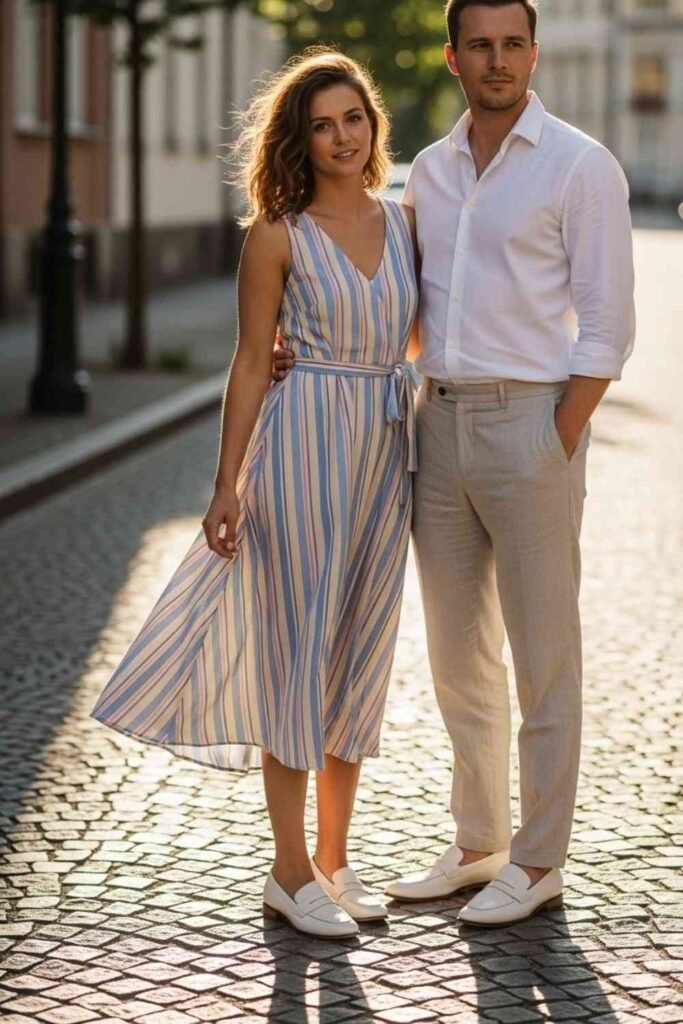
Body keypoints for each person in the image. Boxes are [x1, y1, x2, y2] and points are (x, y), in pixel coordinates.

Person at [276, 0, 636, 926]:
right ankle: (480, 843)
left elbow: (607, 328)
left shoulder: (579, 166)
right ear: (453, 57)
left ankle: (541, 858)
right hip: (433, 425)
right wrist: (297, 346)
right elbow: (403, 301)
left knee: (543, 654)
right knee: (455, 656)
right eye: (479, 44)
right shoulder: (427, 175)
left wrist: (556, 437)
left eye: (512, 43)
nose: (497, 60)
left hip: (532, 424)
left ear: (532, 53)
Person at [91, 48, 419, 939]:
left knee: (359, 652)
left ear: (373, 124)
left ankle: (337, 861)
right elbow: (247, 358)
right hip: (302, 447)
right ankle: (288, 869)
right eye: (322, 124)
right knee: (298, 649)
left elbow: (417, 336)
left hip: (388, 456)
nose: (342, 136)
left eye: (353, 118)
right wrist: (225, 483)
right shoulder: (276, 231)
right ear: (298, 140)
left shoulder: (408, 223)